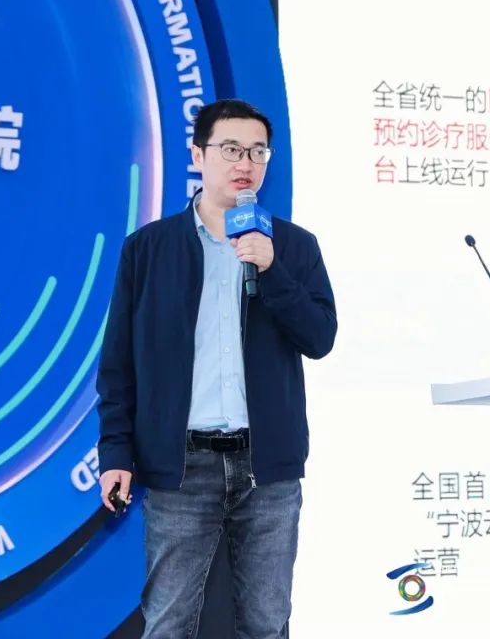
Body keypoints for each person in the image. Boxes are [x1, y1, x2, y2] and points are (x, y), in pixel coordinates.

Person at [96, 98, 337, 638]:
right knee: (168, 622)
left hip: (267, 467)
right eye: (231, 149)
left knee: (267, 624)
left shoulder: (293, 247)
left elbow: (320, 338)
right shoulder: (148, 250)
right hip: (181, 465)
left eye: (257, 151)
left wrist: (272, 271)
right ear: (198, 155)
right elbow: (118, 366)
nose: (245, 163)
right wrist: (115, 453)